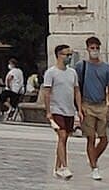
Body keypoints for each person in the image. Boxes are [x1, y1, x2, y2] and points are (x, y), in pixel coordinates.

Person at [77, 36, 109, 180]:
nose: (94, 51)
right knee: (91, 137)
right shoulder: (81, 66)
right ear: (87, 49)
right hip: (87, 104)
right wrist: (79, 106)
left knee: (105, 138)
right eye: (92, 48)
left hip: (101, 105)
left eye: (96, 48)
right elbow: (77, 87)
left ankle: (92, 157)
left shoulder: (106, 68)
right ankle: (94, 167)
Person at [42, 44, 80, 181]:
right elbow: (46, 93)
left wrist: (79, 109)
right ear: (59, 55)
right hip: (56, 109)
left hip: (69, 110)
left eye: (70, 54)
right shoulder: (51, 73)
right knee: (62, 136)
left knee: (63, 140)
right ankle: (64, 166)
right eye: (66, 54)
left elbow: (76, 91)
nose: (69, 57)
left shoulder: (72, 73)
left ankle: (57, 167)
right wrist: (48, 111)